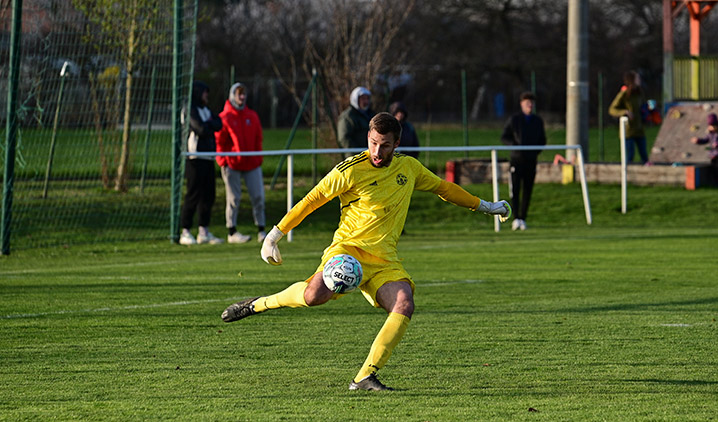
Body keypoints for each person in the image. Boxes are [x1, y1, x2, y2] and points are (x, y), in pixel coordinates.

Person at [221, 112, 512, 391]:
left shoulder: (408, 168)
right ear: (368, 137)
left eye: (385, 145)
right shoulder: (349, 170)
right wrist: (274, 235)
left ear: (397, 144)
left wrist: (484, 206)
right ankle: (258, 304)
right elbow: (312, 200)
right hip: (347, 250)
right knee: (312, 297)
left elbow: (443, 188)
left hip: (384, 260)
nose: (377, 150)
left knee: (403, 303)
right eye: (373, 142)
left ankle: (365, 376)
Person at [215, 82, 267, 243]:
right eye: (239, 94)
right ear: (232, 96)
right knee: (233, 198)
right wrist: (223, 160)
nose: (242, 97)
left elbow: (258, 138)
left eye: (244, 94)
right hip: (232, 165)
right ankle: (232, 231)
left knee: (258, 196)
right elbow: (219, 142)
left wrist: (257, 158)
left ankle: (261, 230)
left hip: (251, 164)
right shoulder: (224, 118)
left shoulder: (252, 116)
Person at [179, 81, 224, 246]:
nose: (207, 96)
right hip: (195, 158)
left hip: (208, 157)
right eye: (205, 93)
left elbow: (218, 123)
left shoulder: (206, 110)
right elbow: (201, 129)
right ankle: (185, 231)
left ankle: (203, 231)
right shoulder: (190, 109)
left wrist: (209, 125)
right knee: (193, 195)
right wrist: (209, 126)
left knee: (208, 196)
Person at [500, 91, 546, 231]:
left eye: (531, 102)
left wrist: (534, 152)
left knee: (528, 190)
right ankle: (515, 218)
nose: (529, 105)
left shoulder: (537, 121)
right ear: (522, 104)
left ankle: (523, 218)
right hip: (517, 160)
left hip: (531, 161)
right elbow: (504, 137)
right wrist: (515, 147)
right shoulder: (515, 119)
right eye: (527, 102)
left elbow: (542, 140)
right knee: (515, 189)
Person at [609, 70, 649, 164]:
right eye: (637, 78)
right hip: (628, 131)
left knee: (644, 156)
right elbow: (612, 109)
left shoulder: (639, 93)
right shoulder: (624, 94)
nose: (639, 80)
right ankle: (628, 176)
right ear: (632, 80)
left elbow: (643, 106)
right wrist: (624, 112)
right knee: (629, 155)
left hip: (639, 129)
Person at [691, 113, 718, 186]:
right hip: (713, 154)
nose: (711, 128)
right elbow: (705, 140)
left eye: (712, 126)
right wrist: (698, 141)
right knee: (713, 168)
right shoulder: (710, 133)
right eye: (710, 126)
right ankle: (715, 183)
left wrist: (717, 144)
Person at [337, 86, 376, 151]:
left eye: (367, 99)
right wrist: (357, 151)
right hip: (355, 156)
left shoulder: (371, 114)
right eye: (363, 99)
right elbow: (344, 138)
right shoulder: (347, 116)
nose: (366, 101)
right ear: (355, 99)